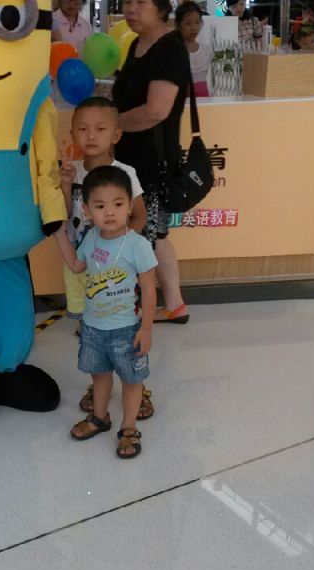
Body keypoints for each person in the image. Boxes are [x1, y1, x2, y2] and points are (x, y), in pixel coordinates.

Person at [58, 97, 155, 421]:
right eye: (83, 129)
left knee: (125, 326)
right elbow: (63, 215)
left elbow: (139, 216)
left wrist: (121, 250)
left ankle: (137, 384)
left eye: (100, 129)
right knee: (91, 325)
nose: (91, 135)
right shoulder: (72, 171)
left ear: (115, 134)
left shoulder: (125, 173)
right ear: (72, 133)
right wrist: (65, 185)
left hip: (118, 271)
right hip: (83, 264)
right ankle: (99, 380)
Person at [53, 165, 157, 458]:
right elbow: (77, 266)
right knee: (99, 376)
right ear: (87, 210)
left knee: (132, 380)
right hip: (93, 328)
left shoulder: (137, 245)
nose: (109, 212)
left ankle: (129, 427)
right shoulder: (91, 239)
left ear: (130, 206)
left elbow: (149, 289)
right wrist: (60, 235)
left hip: (127, 329)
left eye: (118, 204)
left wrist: (146, 328)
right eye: (100, 206)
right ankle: (100, 417)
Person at [112, 0, 190, 325]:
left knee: (146, 234)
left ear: (160, 8)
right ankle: (174, 305)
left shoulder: (168, 48)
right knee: (154, 233)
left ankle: (134, 311)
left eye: (140, 2)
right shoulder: (136, 44)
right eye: (127, 2)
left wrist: (111, 125)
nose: (130, 9)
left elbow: (156, 111)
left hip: (151, 162)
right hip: (132, 160)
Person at [175, 1, 211, 97]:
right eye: (188, 23)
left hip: (204, 99)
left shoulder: (206, 50)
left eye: (197, 22)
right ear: (178, 25)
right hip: (183, 98)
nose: (194, 27)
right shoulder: (175, 51)